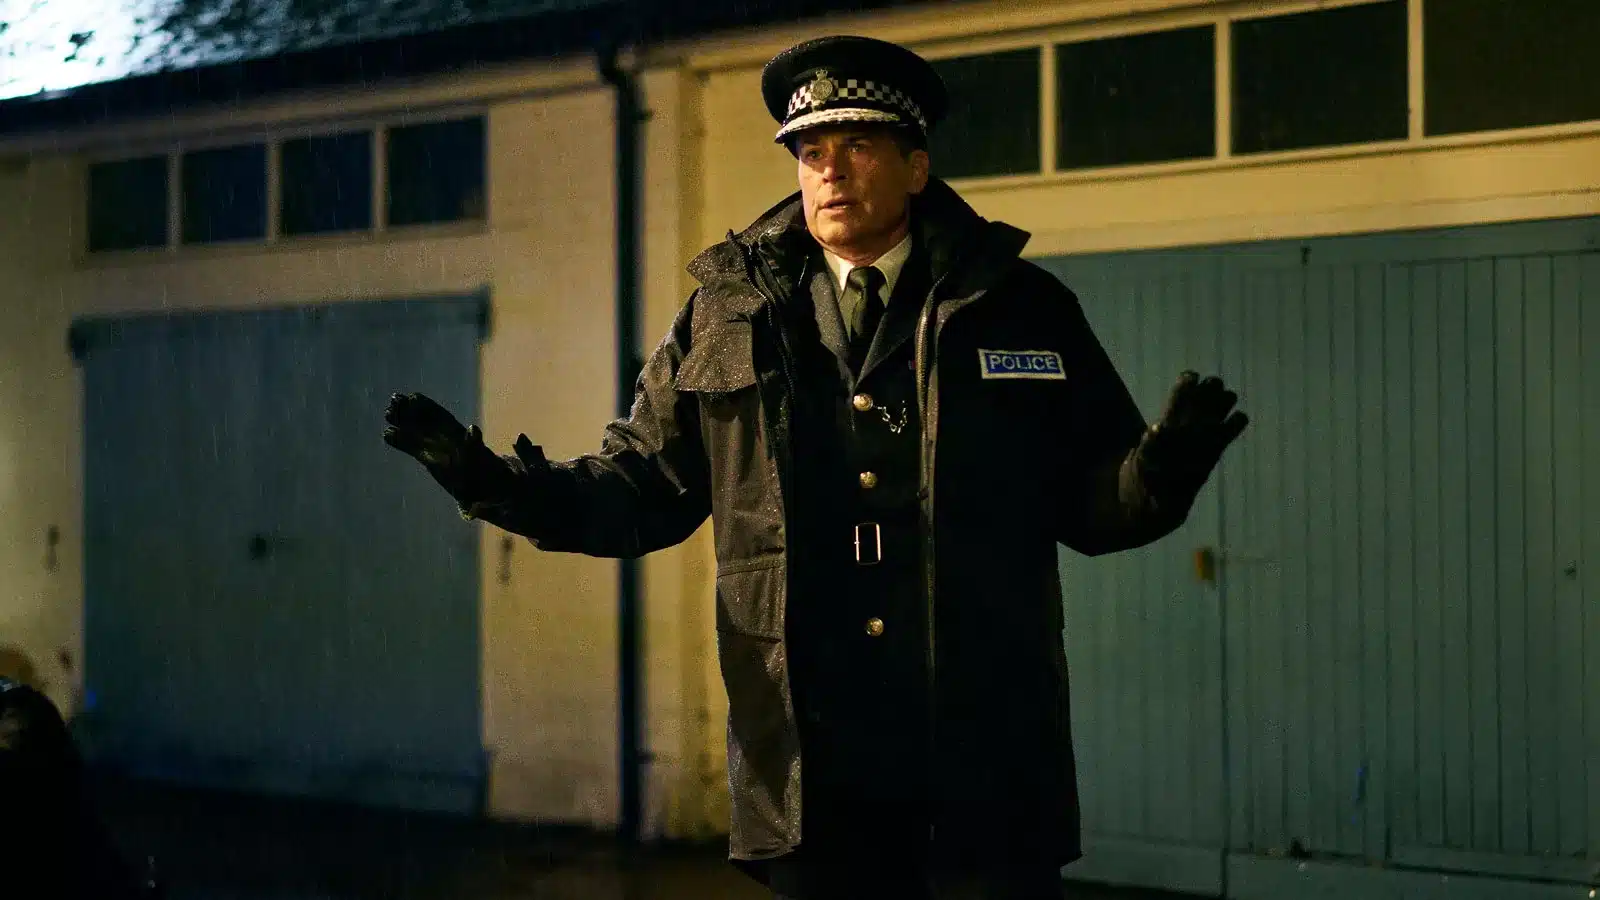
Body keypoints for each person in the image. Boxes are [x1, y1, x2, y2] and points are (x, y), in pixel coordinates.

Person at [383, 34, 1247, 900]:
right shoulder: (727, 314)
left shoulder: (1019, 306)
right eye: (810, 151)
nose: (829, 171)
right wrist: (498, 487)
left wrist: (1162, 469)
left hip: (982, 750)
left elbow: (1094, 507)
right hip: (810, 762)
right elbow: (641, 488)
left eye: (857, 145)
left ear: (916, 167)